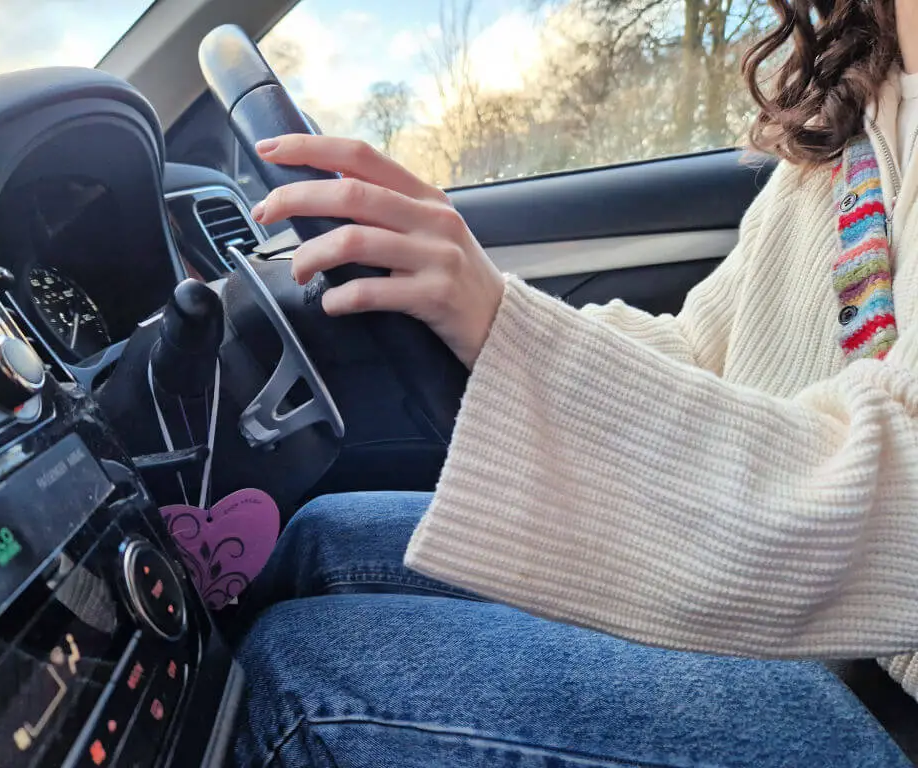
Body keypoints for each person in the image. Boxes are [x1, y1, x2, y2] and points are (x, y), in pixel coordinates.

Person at [231, 0, 918, 765]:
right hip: (804, 625)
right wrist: (482, 304)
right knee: (323, 536)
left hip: (892, 689)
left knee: (296, 676)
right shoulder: (856, 112)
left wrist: (509, 332)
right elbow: (698, 352)